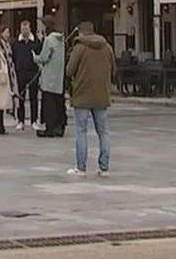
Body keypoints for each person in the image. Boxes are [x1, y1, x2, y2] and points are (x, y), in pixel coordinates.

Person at [66, 20, 116, 177]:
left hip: (82, 94)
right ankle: (104, 167)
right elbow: (113, 69)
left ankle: (81, 167)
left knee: (81, 131)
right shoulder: (107, 47)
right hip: (101, 94)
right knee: (103, 132)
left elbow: (69, 70)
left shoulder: (79, 48)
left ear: (81, 33)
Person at [36, 16, 68, 138]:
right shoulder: (61, 40)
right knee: (59, 102)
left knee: (49, 104)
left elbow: (44, 57)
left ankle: (50, 128)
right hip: (59, 76)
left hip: (49, 77)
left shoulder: (49, 40)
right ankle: (60, 126)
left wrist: (35, 58)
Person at [11, 20, 40, 130]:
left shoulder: (36, 42)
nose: (25, 31)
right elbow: (13, 57)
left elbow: (40, 55)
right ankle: (21, 120)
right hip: (20, 73)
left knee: (34, 98)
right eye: (23, 29)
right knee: (21, 98)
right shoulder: (16, 43)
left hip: (33, 73)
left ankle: (34, 121)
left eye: (27, 28)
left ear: (30, 29)